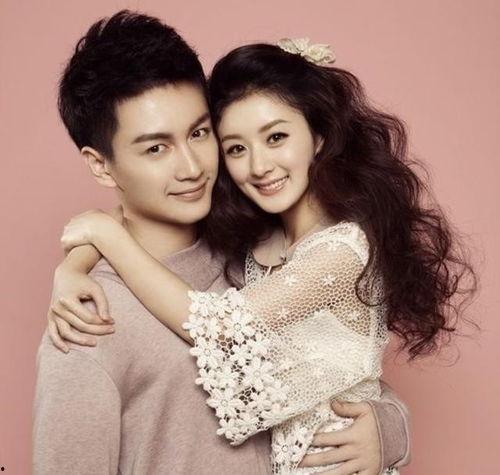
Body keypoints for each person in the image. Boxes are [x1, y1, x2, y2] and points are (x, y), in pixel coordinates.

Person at [33, 11, 411, 475]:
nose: (192, 168)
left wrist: (390, 428)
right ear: (101, 165)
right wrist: (79, 261)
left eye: (198, 133)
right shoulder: (86, 324)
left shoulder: (252, 252)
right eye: (156, 148)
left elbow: (332, 375)